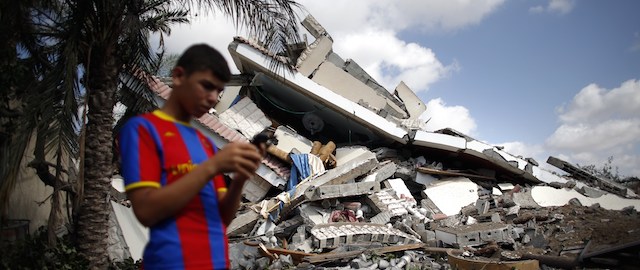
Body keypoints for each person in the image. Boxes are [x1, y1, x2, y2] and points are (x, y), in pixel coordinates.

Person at [118, 44, 264, 269]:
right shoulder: (143, 130)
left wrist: (240, 180)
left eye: (218, 91)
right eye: (207, 86)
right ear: (178, 76)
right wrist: (212, 167)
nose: (213, 97)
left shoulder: (204, 143)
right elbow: (147, 211)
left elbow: (221, 220)